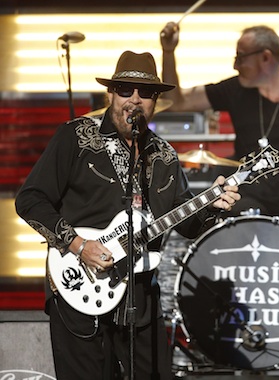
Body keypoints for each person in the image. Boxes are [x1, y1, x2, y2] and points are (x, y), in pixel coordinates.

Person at [15, 50, 240, 380]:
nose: (134, 100)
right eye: (125, 90)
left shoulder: (163, 156)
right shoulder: (76, 137)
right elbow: (31, 200)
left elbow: (187, 223)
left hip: (139, 297)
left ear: (155, 101)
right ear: (111, 94)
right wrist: (78, 245)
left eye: (145, 93)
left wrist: (212, 207)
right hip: (78, 287)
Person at [160, 23, 279, 219]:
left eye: (240, 57)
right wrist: (168, 52)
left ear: (266, 57)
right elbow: (176, 103)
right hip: (243, 202)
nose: (235, 65)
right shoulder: (235, 90)